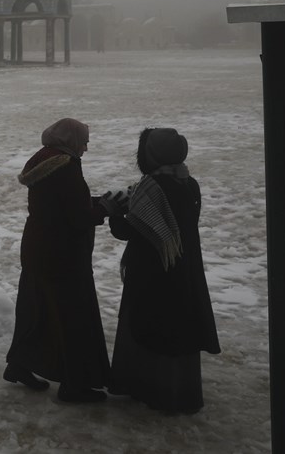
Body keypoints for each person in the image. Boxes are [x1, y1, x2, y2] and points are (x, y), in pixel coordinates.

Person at [108, 127, 221, 413]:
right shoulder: (189, 182)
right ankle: (179, 393)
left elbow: (128, 231)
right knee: (178, 328)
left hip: (151, 273)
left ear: (152, 155)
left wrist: (114, 212)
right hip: (183, 268)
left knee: (150, 326)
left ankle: (149, 390)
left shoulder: (150, 188)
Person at [4, 117, 116, 402]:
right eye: (84, 142)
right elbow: (77, 218)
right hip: (62, 256)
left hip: (37, 249)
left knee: (37, 311)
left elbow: (59, 204)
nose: (86, 148)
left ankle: (19, 364)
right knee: (72, 318)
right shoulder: (66, 166)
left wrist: (96, 202)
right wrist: (106, 208)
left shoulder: (43, 160)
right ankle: (74, 384)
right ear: (70, 140)